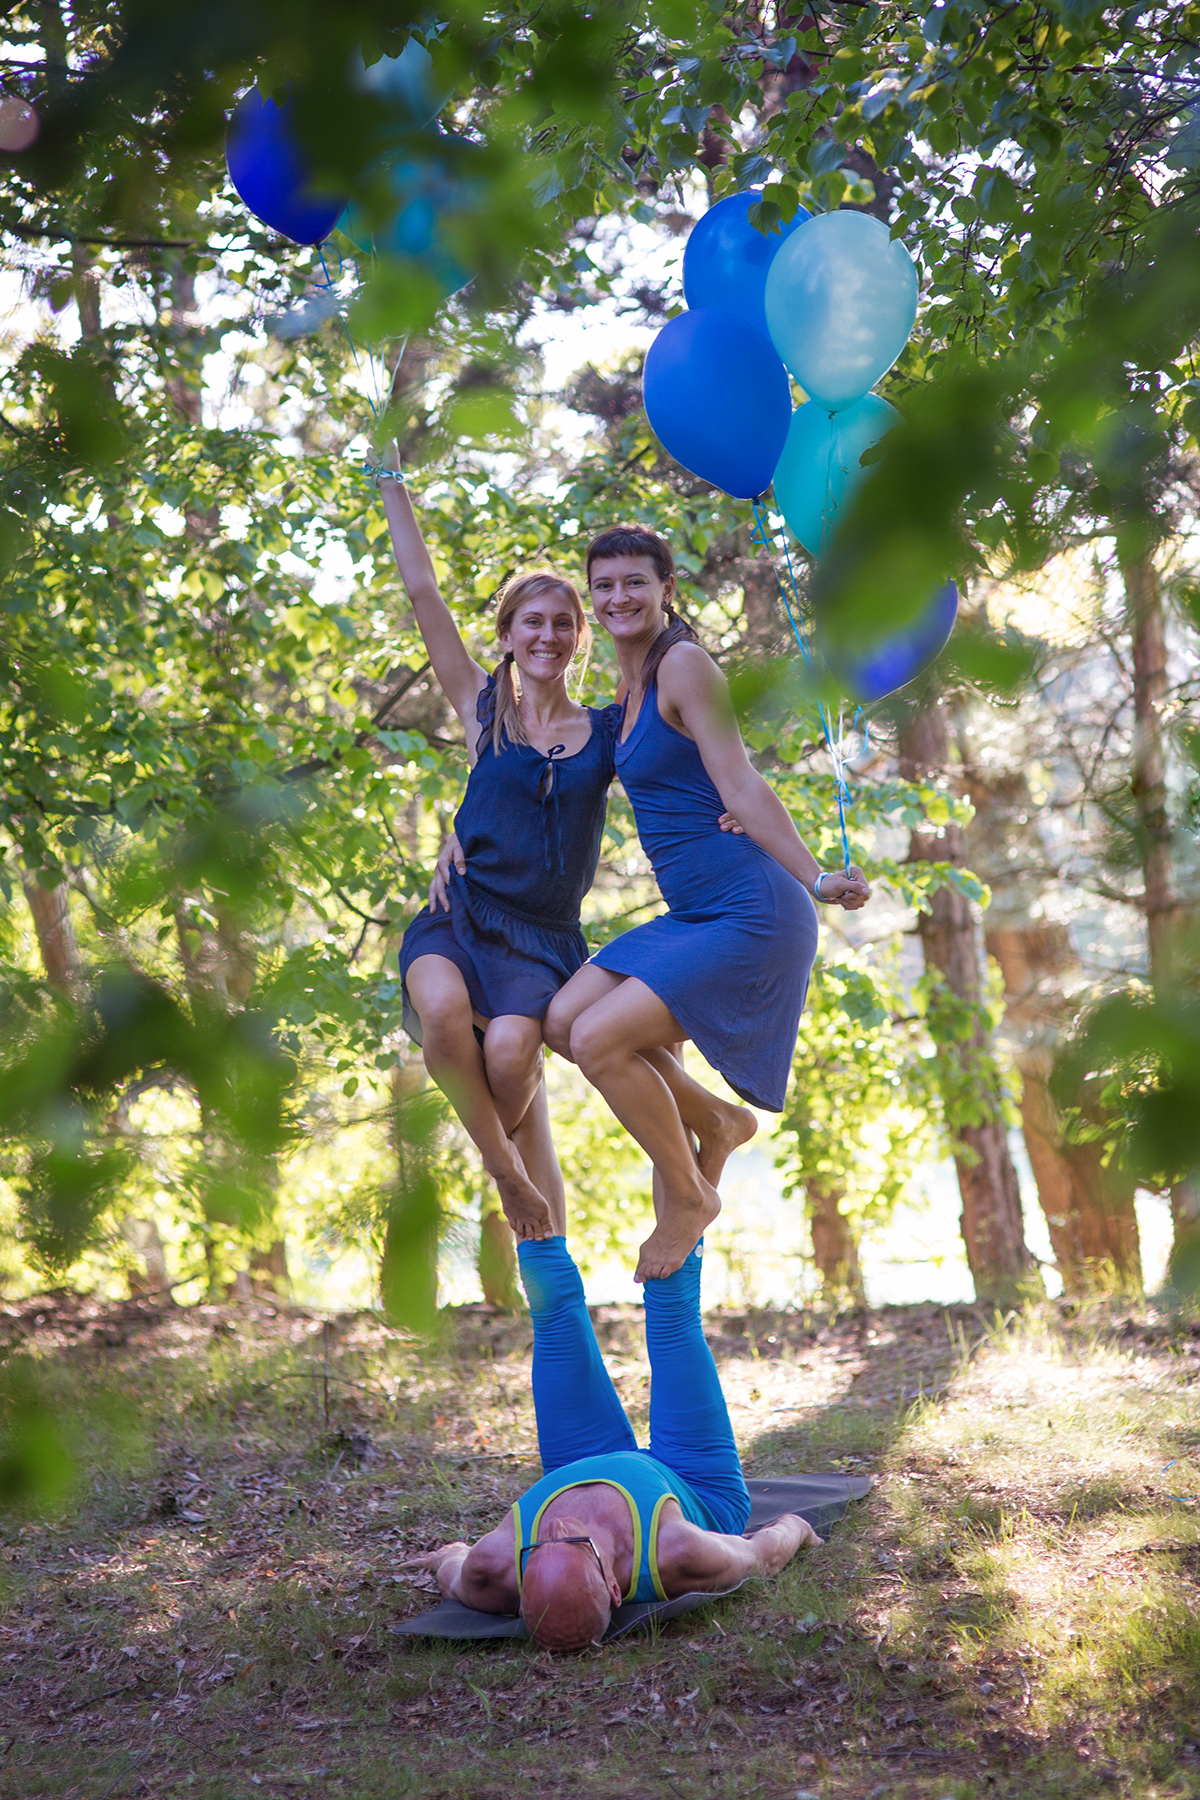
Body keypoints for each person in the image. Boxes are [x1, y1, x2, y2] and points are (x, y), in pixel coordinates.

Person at [381, 460, 749, 1244]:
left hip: (541, 940)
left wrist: (732, 815)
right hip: (461, 914)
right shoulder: (484, 712)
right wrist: (392, 484)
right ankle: (507, 1175)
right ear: (509, 637)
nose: (545, 636)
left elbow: (678, 763)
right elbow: (424, 595)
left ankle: (533, 1161)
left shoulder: (608, 732)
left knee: (515, 1050)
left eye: (560, 623)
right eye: (531, 623)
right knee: (441, 1010)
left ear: (579, 636)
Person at [542, 525, 871, 1283]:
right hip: (694, 912)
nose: (619, 596)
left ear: (666, 589)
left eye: (635, 582)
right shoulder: (623, 693)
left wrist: (818, 878)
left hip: (750, 908)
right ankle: (718, 1120)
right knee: (562, 1022)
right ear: (591, 600)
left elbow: (743, 784)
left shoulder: (683, 665)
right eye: (604, 585)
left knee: (597, 1040)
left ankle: (690, 1196)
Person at [407, 1236, 821, 1651]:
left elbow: (454, 1569)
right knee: (672, 1309)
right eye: (572, 1541)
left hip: (577, 1460)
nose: (557, 1526)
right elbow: (761, 1557)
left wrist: (446, 1555)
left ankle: (527, 1208)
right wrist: (798, 1528)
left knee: (550, 1306)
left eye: (539, 1546)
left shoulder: (492, 1568)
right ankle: (689, 1201)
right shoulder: (680, 1554)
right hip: (694, 1480)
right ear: (614, 1588)